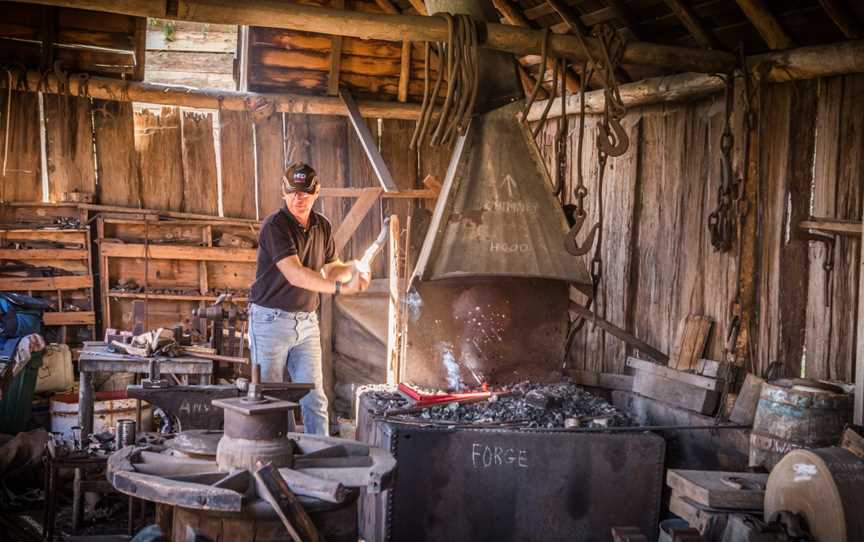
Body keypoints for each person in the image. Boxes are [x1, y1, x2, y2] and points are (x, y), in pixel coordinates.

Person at [248, 163, 370, 435]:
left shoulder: (322, 225)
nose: (298, 199)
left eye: (304, 193)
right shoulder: (275, 226)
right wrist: (340, 290)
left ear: (316, 192)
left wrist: (353, 267)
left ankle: (320, 452)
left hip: (306, 323)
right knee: (269, 397)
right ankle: (272, 456)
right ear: (284, 192)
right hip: (270, 320)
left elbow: (331, 268)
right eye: (292, 193)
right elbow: (296, 275)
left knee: (314, 396)